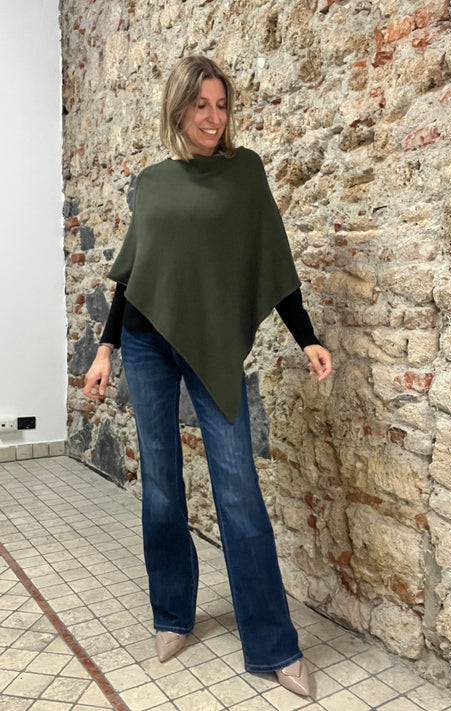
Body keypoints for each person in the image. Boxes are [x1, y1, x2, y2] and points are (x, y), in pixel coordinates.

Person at [83, 55, 332, 698]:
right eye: (201, 105)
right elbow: (134, 275)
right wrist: (107, 349)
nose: (213, 117)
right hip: (146, 344)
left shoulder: (245, 174)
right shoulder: (152, 183)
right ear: (180, 108)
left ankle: (274, 645)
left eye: (221, 105)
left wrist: (307, 336)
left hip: (213, 348)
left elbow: (273, 260)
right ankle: (172, 615)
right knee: (161, 487)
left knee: (238, 489)